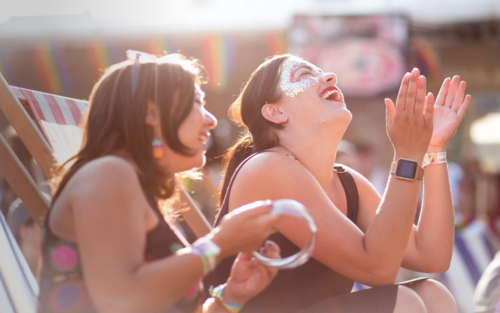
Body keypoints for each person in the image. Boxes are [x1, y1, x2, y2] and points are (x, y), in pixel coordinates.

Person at [205, 54, 471, 312]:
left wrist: (432, 149)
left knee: (434, 295)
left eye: (322, 71)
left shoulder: (347, 181)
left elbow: (432, 255)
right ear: (275, 112)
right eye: (306, 74)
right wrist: (406, 155)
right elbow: (378, 270)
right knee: (404, 302)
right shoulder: (267, 167)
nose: (329, 76)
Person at [37, 52, 284, 313]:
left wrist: (231, 296)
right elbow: (119, 302)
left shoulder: (127, 182)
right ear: (151, 111)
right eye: (197, 102)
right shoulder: (108, 173)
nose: (210, 119)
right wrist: (219, 244)